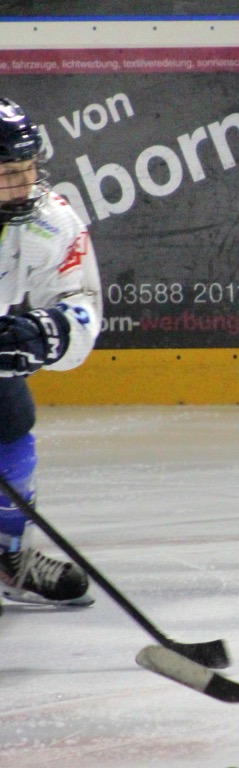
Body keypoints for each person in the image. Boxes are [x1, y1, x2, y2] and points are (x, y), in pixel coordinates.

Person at [0, 98, 102, 611]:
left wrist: (45, 333)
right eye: (7, 173)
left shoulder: (48, 219)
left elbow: (80, 299)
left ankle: (8, 558)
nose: (23, 185)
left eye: (27, 169)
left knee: (11, 415)